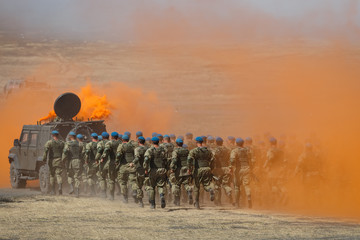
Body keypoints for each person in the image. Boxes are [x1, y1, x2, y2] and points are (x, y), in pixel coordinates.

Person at [187, 136, 215, 209]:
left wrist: (189, 169)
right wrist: (211, 169)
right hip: (207, 168)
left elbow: (189, 159)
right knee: (206, 184)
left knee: (197, 187)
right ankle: (210, 189)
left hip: (198, 169)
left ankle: (197, 203)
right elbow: (212, 160)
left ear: (196, 143)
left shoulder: (194, 151)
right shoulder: (208, 151)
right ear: (202, 142)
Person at [144, 137, 168, 209]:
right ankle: (161, 196)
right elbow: (167, 160)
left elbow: (146, 159)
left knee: (151, 187)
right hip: (162, 170)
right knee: (160, 186)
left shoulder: (150, 150)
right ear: (158, 142)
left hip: (153, 170)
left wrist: (146, 168)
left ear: (152, 142)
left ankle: (152, 204)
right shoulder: (163, 150)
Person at [230, 138, 252, 208]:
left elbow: (232, 159)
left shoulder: (234, 151)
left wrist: (231, 167)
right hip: (247, 168)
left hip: (238, 169)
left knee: (237, 187)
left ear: (236, 143)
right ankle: (248, 196)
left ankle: (237, 203)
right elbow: (251, 159)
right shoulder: (248, 150)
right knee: (247, 185)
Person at [170, 138, 192, 206]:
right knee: (186, 184)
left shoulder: (175, 151)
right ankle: (189, 191)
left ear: (176, 144)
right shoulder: (187, 151)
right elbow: (190, 159)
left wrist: (172, 168)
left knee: (177, 185)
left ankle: (177, 201)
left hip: (179, 170)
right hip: (186, 169)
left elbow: (174, 160)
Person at [43, 130, 65, 195]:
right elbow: (65, 151)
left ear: (52, 135)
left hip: (52, 161)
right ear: (58, 135)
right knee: (58, 175)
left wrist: (44, 159)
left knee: (52, 175)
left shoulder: (49, 143)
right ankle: (60, 188)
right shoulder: (62, 143)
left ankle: (53, 190)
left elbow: (46, 150)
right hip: (59, 160)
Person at [116, 134, 137, 203]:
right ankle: (134, 191)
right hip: (132, 165)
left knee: (123, 182)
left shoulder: (121, 146)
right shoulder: (133, 145)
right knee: (133, 181)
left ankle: (125, 198)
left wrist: (117, 161)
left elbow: (119, 154)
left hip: (123, 166)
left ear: (122, 140)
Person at [212, 137, 233, 205]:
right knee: (225, 184)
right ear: (222, 142)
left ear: (216, 142)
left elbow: (213, 159)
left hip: (218, 169)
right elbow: (230, 159)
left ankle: (218, 202)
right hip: (226, 168)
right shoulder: (228, 150)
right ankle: (228, 191)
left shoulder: (214, 150)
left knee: (217, 185)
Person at [101, 132, 121, 200]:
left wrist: (103, 157)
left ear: (112, 137)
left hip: (112, 162)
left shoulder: (110, 143)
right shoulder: (121, 143)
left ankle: (112, 196)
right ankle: (125, 197)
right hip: (121, 163)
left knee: (111, 180)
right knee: (122, 179)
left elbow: (106, 150)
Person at [62, 131, 82, 197]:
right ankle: (77, 192)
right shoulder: (80, 144)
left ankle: (72, 188)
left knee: (70, 175)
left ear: (70, 137)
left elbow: (65, 152)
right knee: (77, 177)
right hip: (78, 161)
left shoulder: (68, 144)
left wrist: (63, 160)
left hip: (70, 162)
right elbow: (82, 153)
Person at [132, 136, 148, 207]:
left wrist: (132, 163)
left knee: (139, 186)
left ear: (138, 142)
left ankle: (141, 202)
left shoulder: (137, 149)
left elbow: (137, 158)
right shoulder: (148, 149)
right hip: (147, 169)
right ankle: (152, 202)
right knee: (148, 185)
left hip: (139, 168)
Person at [96, 132, 110, 198]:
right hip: (111, 163)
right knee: (111, 179)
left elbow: (99, 151)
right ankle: (112, 194)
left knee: (102, 178)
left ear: (102, 137)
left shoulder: (100, 143)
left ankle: (104, 193)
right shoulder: (111, 143)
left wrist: (97, 158)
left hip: (103, 163)